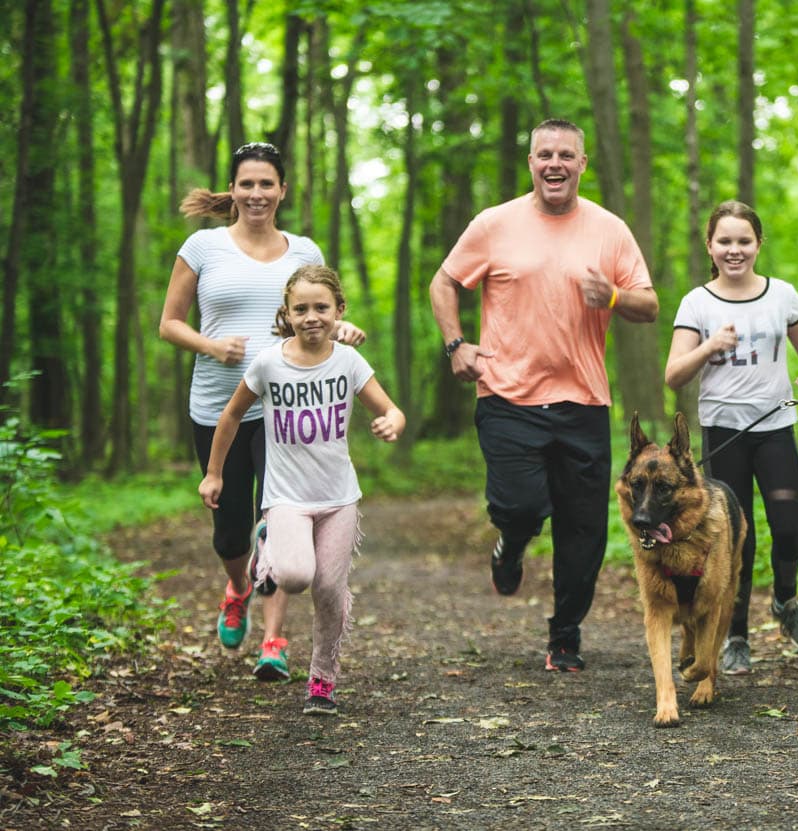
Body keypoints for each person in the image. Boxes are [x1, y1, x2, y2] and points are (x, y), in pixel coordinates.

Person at [429, 118, 659, 672]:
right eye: (544, 154)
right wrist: (456, 344)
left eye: (566, 155)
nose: (555, 163)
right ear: (531, 162)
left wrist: (614, 295)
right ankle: (512, 541)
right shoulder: (494, 224)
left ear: (582, 164)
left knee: (584, 532)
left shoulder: (609, 229)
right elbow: (444, 282)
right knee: (521, 506)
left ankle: (565, 636)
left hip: (583, 401)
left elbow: (649, 305)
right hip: (507, 396)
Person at [160, 142, 365, 682]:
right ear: (233, 189)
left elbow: (321, 310)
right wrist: (211, 346)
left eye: (266, 184)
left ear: (282, 190)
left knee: (278, 525)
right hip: (218, 407)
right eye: (246, 184)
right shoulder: (202, 247)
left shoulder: (304, 251)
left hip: (286, 410)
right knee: (231, 534)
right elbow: (169, 323)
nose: (256, 193)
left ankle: (274, 641)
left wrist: (342, 330)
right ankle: (237, 587)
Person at [199, 265, 406, 715]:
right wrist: (214, 473)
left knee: (329, 589)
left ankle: (321, 680)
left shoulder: (348, 362)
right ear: (287, 313)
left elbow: (391, 408)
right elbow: (231, 415)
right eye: (301, 309)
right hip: (286, 497)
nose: (312, 317)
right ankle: (267, 546)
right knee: (294, 577)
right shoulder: (269, 363)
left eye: (321, 307)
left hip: (338, 497)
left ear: (339, 310)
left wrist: (392, 422)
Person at [664, 200, 798, 676]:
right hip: (724, 431)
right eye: (724, 241)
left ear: (758, 244)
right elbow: (674, 375)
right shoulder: (697, 303)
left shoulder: (782, 295)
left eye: (744, 241)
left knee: (787, 525)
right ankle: (736, 635)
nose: (734, 250)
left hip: (775, 427)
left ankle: (785, 601)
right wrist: (710, 347)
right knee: (735, 539)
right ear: (709, 246)